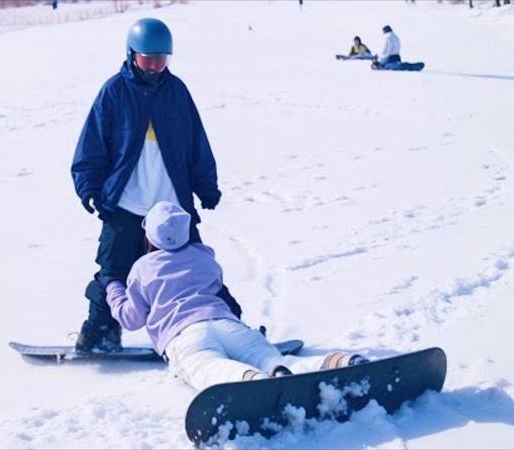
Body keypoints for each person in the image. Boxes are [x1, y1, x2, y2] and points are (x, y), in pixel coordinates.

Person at [71, 18, 242, 352]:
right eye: (147, 58)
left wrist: (206, 186)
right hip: (125, 204)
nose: (154, 65)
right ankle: (100, 332)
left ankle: (231, 324)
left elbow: (196, 142)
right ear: (132, 53)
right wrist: (88, 186)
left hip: (172, 208)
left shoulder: (176, 92)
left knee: (197, 268)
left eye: (161, 58)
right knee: (112, 271)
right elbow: (91, 145)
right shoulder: (114, 92)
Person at [106, 202, 368, 391]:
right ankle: (338, 362)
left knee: (207, 366)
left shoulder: (143, 268)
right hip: (226, 323)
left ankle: (250, 381)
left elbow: (131, 319)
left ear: (149, 235)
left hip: (183, 335)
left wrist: (114, 290)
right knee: (274, 360)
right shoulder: (203, 256)